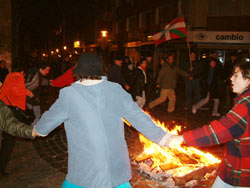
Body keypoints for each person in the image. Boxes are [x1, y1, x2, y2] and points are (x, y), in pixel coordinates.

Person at [33, 52, 173, 188]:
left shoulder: (69, 95)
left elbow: (45, 124)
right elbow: (139, 117)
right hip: (115, 170)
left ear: (78, 71)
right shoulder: (116, 90)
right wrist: (166, 138)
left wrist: (35, 130)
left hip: (85, 170)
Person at [166, 62, 250, 187]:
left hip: (240, 172)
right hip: (232, 168)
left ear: (248, 81)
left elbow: (219, 130)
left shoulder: (245, 106)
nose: (231, 78)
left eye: (236, 75)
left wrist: (182, 138)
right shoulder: (244, 100)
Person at [0, 64, 35, 176]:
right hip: (13, 111)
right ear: (22, 72)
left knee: (8, 140)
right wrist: (28, 93)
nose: (24, 77)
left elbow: (11, 89)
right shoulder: (17, 77)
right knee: (9, 142)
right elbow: (5, 91)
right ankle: (1, 168)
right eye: (24, 75)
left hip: (8, 109)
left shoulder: (9, 76)